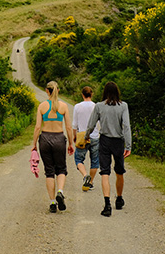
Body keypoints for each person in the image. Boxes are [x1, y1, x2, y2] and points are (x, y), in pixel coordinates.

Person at [85, 81, 131, 217]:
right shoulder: (123, 106)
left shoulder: (99, 106)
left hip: (104, 140)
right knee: (119, 171)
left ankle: (107, 204)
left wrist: (86, 136)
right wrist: (128, 146)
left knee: (105, 172)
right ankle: (119, 198)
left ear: (104, 92)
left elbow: (91, 124)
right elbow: (126, 127)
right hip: (118, 141)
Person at [32, 81, 74, 213]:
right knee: (61, 169)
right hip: (59, 139)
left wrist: (34, 145)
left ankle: (52, 202)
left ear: (46, 91)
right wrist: (71, 143)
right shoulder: (63, 106)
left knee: (49, 171)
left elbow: (38, 127)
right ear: (58, 91)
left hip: (45, 139)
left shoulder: (42, 106)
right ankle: (60, 192)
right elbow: (68, 127)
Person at [72, 86, 100, 192]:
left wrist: (74, 136)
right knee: (95, 161)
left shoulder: (77, 107)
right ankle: (91, 182)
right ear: (91, 94)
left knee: (79, 159)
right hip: (94, 136)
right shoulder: (96, 106)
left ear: (82, 95)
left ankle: (85, 176)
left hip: (82, 137)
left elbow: (74, 124)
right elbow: (100, 123)